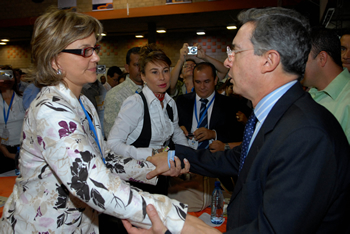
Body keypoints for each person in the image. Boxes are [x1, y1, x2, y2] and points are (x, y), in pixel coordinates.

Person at [128, 7, 350, 233]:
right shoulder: (279, 114)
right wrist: (175, 156)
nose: (226, 62)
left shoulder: (307, 134)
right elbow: (238, 158)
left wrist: (189, 229)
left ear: (269, 60)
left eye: (236, 52)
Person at [0, 8, 190, 234]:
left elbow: (101, 160)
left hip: (81, 224)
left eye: (95, 48)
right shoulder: (51, 110)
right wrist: (172, 216)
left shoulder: (83, 102)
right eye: (85, 51)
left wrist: (149, 166)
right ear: (54, 59)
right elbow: (90, 181)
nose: (97, 57)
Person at [107, 44, 189, 195]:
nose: (162, 77)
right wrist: (148, 154)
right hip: (134, 181)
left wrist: (189, 157)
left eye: (165, 71)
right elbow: (112, 144)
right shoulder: (135, 103)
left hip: (161, 176)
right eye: (154, 72)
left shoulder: (170, 103)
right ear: (143, 77)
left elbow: (176, 132)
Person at [303, 28, 350, 143]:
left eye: (303, 57)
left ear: (322, 58)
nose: (296, 64)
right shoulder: (311, 92)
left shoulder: (347, 102)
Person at [104, 47, 143, 138]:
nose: (141, 69)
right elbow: (111, 134)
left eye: (144, 65)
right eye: (137, 65)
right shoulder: (115, 95)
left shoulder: (152, 90)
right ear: (127, 68)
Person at [0, 66, 25, 174]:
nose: (6, 80)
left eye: (9, 76)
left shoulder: (24, 98)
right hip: (3, 151)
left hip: (25, 149)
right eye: (2, 75)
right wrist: (7, 153)